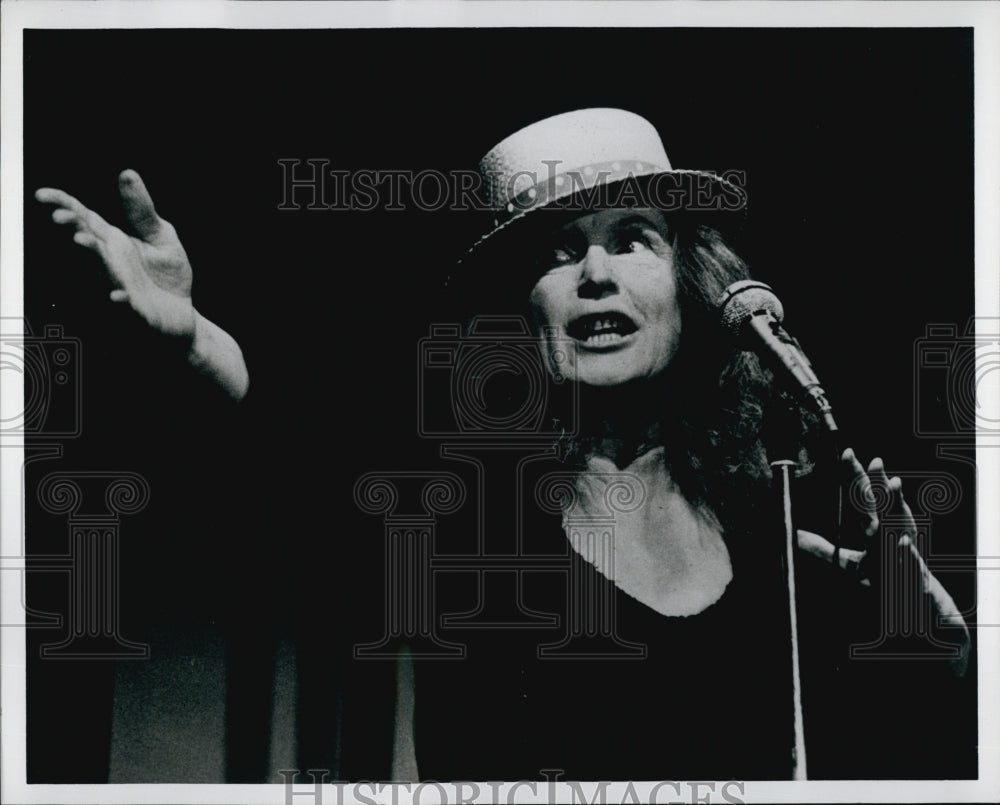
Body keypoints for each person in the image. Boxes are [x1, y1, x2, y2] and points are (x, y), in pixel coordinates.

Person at [35, 108, 971, 782]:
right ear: (521, 312)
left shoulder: (771, 522)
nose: (595, 271)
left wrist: (934, 643)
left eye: (633, 239)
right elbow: (297, 440)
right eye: (560, 251)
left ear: (690, 287)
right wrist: (194, 335)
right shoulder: (464, 507)